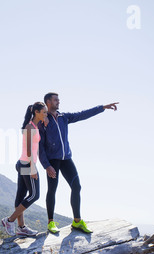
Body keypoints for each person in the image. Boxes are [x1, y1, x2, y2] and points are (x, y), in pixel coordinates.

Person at [38, 92, 118, 234]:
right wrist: (46, 165)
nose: (59, 102)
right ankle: (50, 222)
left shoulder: (64, 117)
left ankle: (77, 221)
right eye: (56, 100)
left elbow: (82, 114)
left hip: (66, 159)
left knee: (76, 186)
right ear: (48, 102)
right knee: (52, 190)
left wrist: (102, 108)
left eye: (58, 100)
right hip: (52, 161)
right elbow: (40, 147)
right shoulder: (43, 121)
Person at [2, 102, 47, 236]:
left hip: (24, 164)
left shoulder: (34, 126)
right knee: (34, 195)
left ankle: (21, 228)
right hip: (27, 164)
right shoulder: (29, 127)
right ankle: (9, 220)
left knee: (21, 196)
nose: (45, 114)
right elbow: (28, 151)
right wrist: (33, 168)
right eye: (44, 112)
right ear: (37, 112)